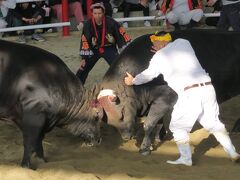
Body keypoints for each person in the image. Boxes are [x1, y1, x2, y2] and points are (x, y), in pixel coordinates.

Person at [124, 31, 240, 166]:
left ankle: (186, 158)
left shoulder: (158, 57)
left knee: (177, 127)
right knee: (214, 124)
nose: (153, 44)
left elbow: (147, 76)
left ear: (160, 42)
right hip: (208, 88)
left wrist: (132, 81)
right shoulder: (184, 43)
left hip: (190, 93)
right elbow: (171, 48)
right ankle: (232, 153)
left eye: (155, 42)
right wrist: (162, 48)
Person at [76, 2, 131, 84]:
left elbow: (120, 35)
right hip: (94, 50)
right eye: (95, 13)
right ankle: (77, 85)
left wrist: (123, 52)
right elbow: (85, 40)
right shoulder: (88, 25)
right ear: (92, 13)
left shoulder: (111, 22)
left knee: (119, 67)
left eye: (99, 13)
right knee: (83, 68)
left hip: (109, 48)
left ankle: (126, 84)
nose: (97, 16)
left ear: (103, 13)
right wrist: (84, 58)